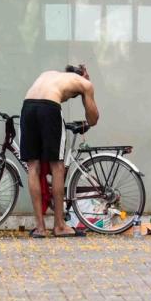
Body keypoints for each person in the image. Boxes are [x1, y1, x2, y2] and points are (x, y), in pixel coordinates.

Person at [21, 64, 99, 238]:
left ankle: (40, 228)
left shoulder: (48, 73)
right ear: (82, 75)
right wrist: (87, 91)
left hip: (27, 106)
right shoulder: (84, 83)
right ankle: (60, 226)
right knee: (57, 166)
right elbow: (93, 119)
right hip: (49, 107)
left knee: (33, 167)